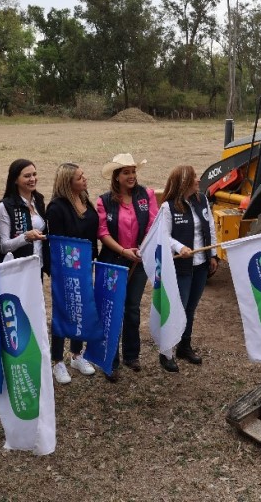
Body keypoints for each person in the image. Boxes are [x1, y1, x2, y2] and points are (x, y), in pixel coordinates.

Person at [96, 153, 158, 381]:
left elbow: (153, 222)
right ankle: (110, 359)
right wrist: (123, 251)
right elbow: (102, 232)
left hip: (139, 260)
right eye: (126, 172)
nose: (131, 176)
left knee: (132, 309)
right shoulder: (104, 200)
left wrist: (142, 248)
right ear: (117, 176)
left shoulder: (146, 195)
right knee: (113, 310)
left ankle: (132, 355)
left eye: (133, 171)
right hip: (114, 261)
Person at [158, 165, 218, 373]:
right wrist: (179, 247)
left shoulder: (201, 200)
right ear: (183, 182)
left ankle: (184, 346)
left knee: (190, 308)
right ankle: (166, 352)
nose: (198, 180)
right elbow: (164, 235)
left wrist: (212, 256)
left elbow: (210, 227)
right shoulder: (168, 207)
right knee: (177, 308)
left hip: (200, 264)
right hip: (180, 266)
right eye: (193, 178)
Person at [45, 162, 98, 384]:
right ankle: (57, 360)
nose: (84, 179)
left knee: (81, 309)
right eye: (79, 177)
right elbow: (56, 243)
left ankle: (76, 355)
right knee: (63, 311)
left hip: (86, 266)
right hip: (66, 269)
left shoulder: (85, 199)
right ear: (68, 182)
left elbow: (92, 233)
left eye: (83, 175)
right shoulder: (56, 207)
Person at [0, 158, 48, 264]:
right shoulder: (5, 206)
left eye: (34, 174)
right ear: (15, 180)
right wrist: (25, 237)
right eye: (27, 176)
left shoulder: (38, 200)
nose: (33, 179)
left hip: (38, 265)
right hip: (18, 269)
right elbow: (3, 247)